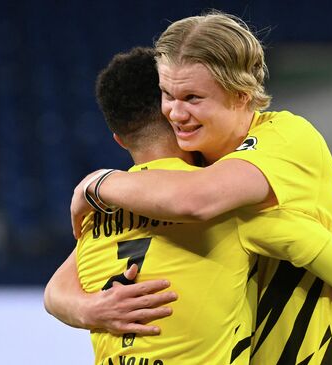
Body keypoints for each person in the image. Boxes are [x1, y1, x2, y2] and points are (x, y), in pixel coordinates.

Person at [65, 11, 332, 364]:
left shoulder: (287, 138)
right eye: (167, 94)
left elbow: (197, 200)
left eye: (193, 98)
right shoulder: (186, 167)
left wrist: (99, 183)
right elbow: (60, 287)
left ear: (242, 94)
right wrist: (90, 309)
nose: (175, 112)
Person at [48, 46, 256, 364]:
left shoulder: (95, 213)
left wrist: (89, 308)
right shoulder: (226, 196)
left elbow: (55, 292)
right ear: (176, 115)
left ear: (119, 138)